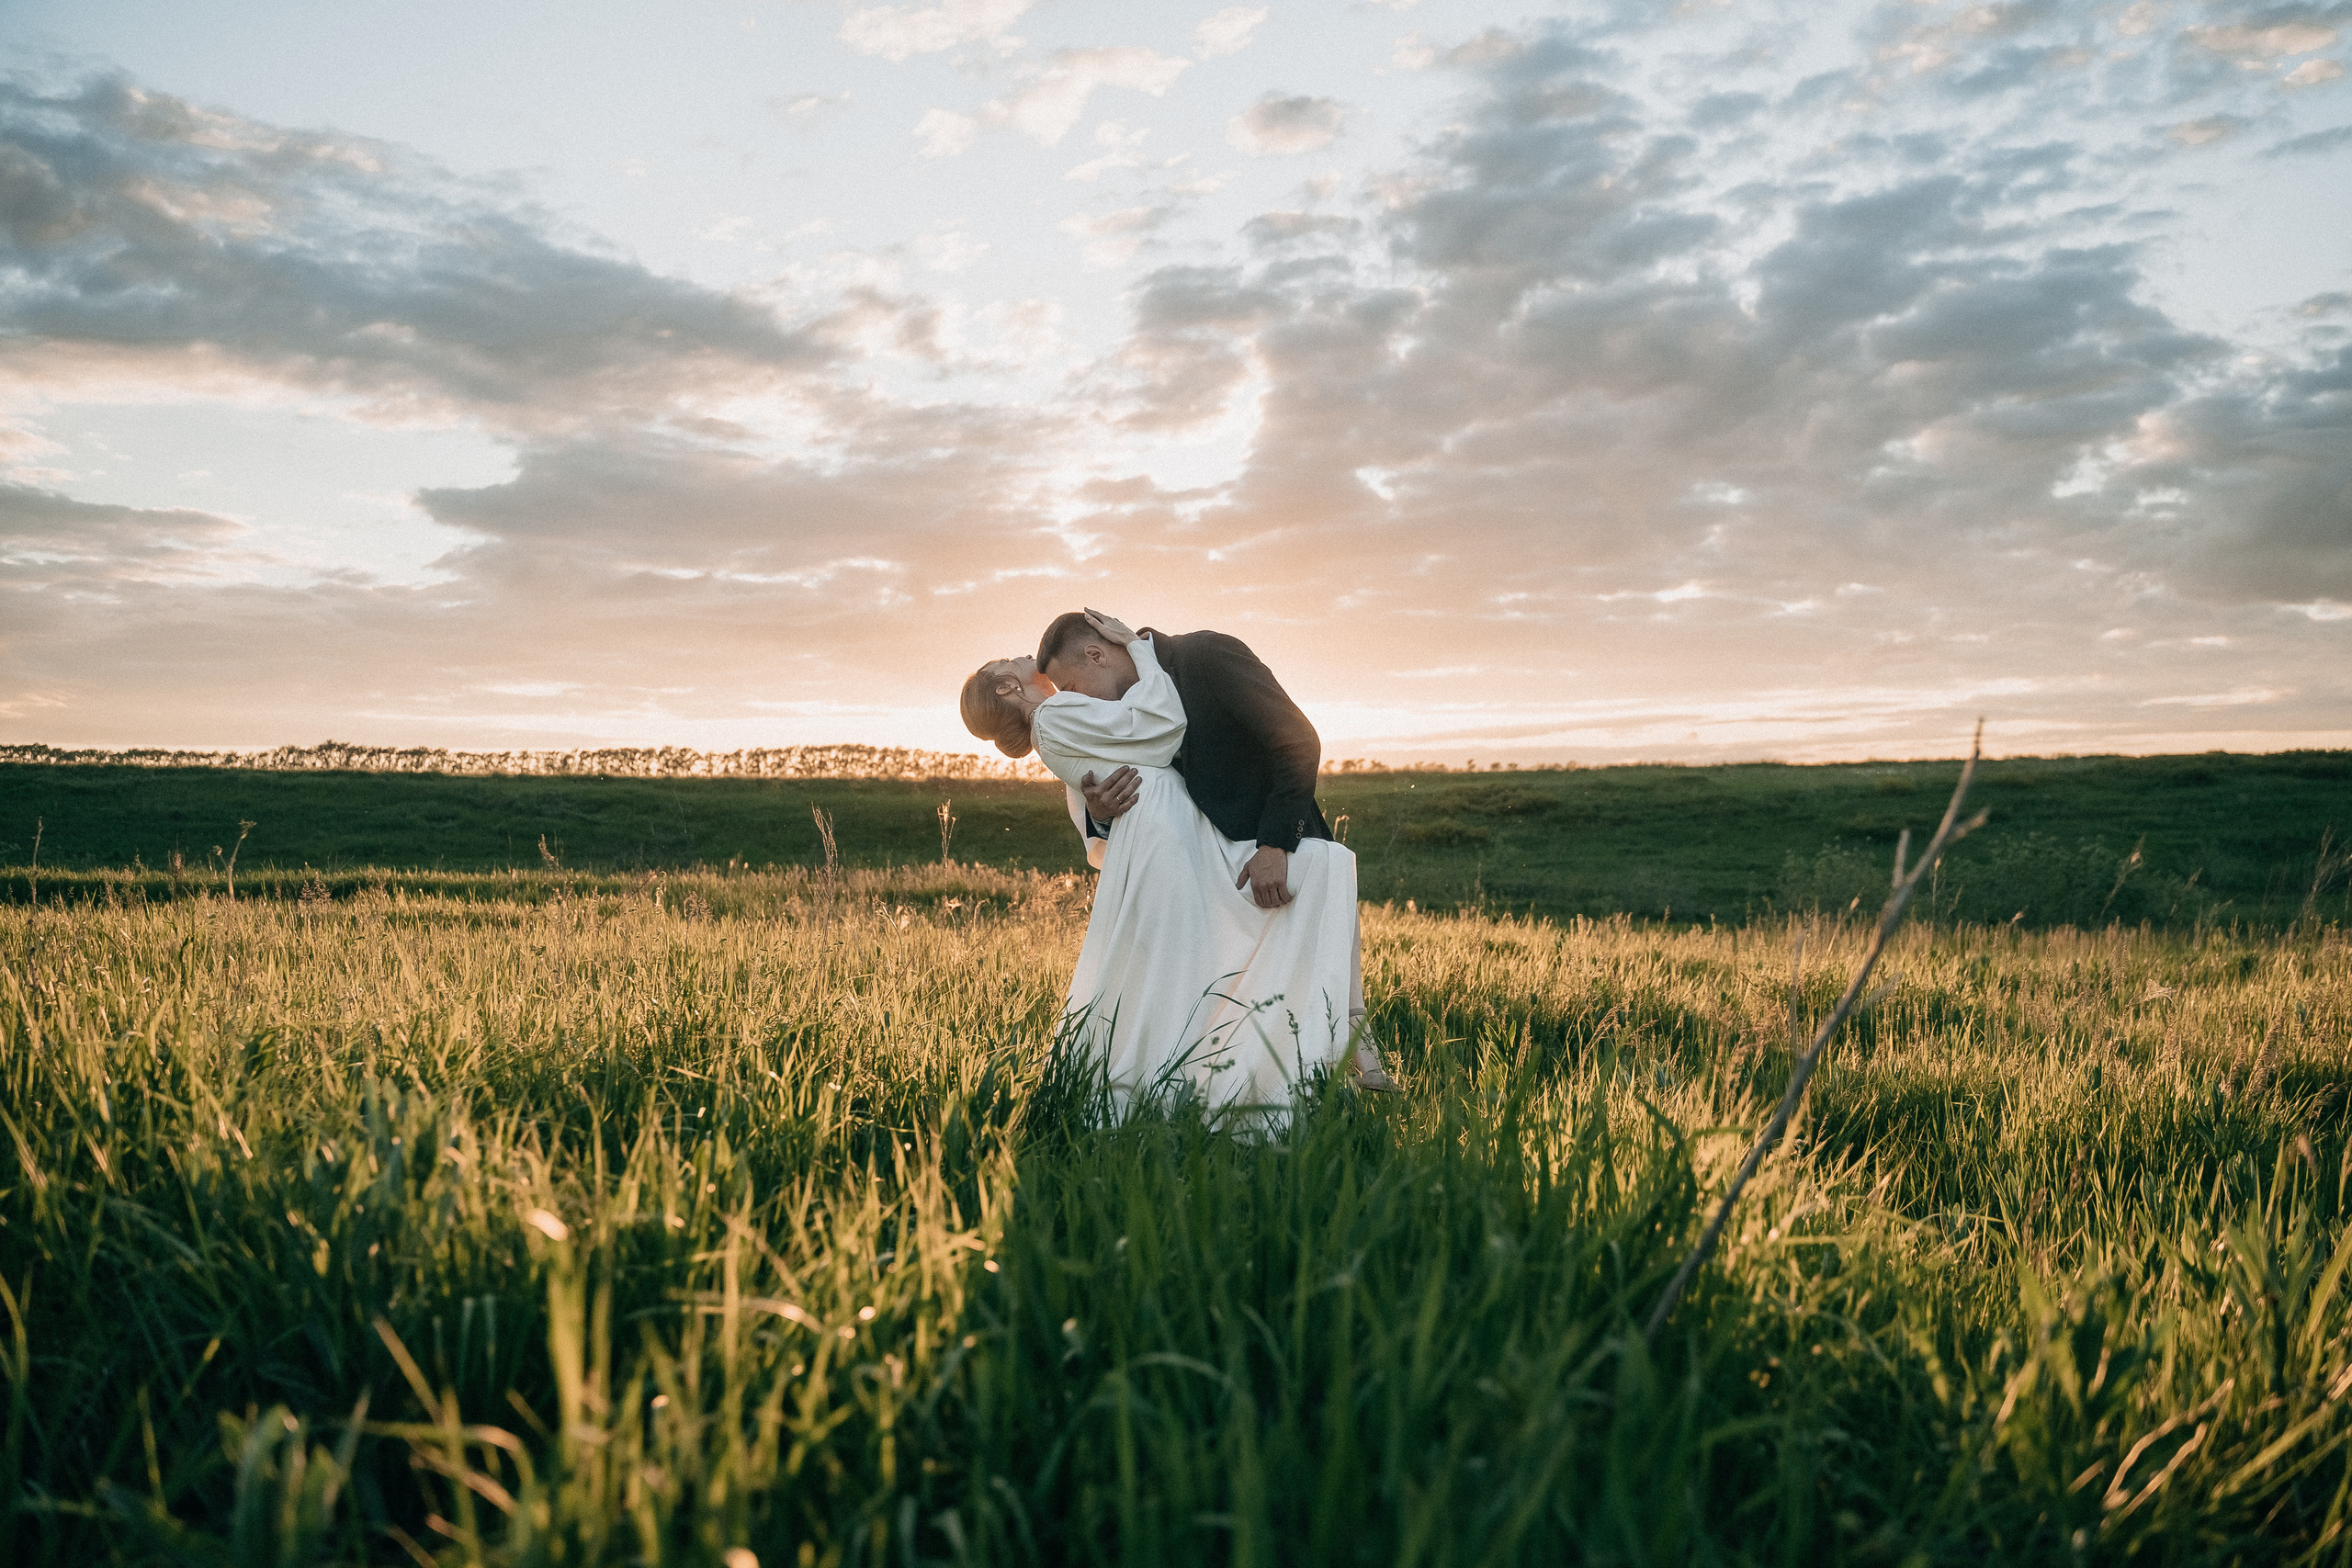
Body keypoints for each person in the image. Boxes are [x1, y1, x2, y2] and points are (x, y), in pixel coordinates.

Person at [959, 611, 1394, 1122]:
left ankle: (1343, 1043)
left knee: (1323, 867)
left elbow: (1297, 740)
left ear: (1097, 653)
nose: (1078, 698)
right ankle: (1203, 1079)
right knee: (1182, 970)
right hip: (1181, 849)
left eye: (1075, 685)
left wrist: (1277, 843)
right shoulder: (1093, 707)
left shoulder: (1206, 655)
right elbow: (1100, 780)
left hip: (1259, 833)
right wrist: (1098, 807)